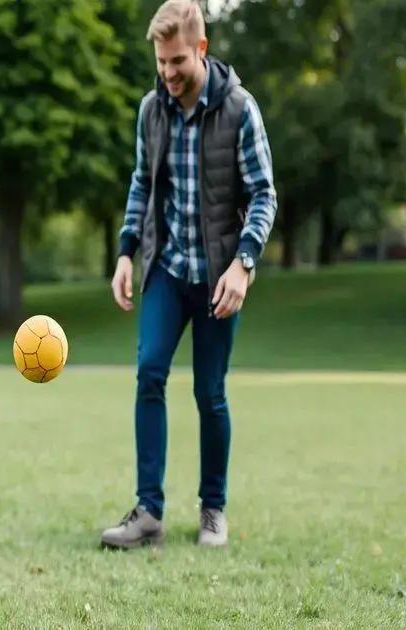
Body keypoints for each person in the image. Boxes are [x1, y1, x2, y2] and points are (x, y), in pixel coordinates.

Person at [102, 0, 277, 549]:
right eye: (161, 62)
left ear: (201, 49)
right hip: (167, 269)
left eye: (177, 61)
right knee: (149, 373)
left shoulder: (240, 110)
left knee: (209, 392)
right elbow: (141, 184)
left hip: (219, 277)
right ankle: (148, 513)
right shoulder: (151, 111)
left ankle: (213, 509)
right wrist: (127, 251)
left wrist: (244, 264)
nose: (169, 73)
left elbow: (264, 194)